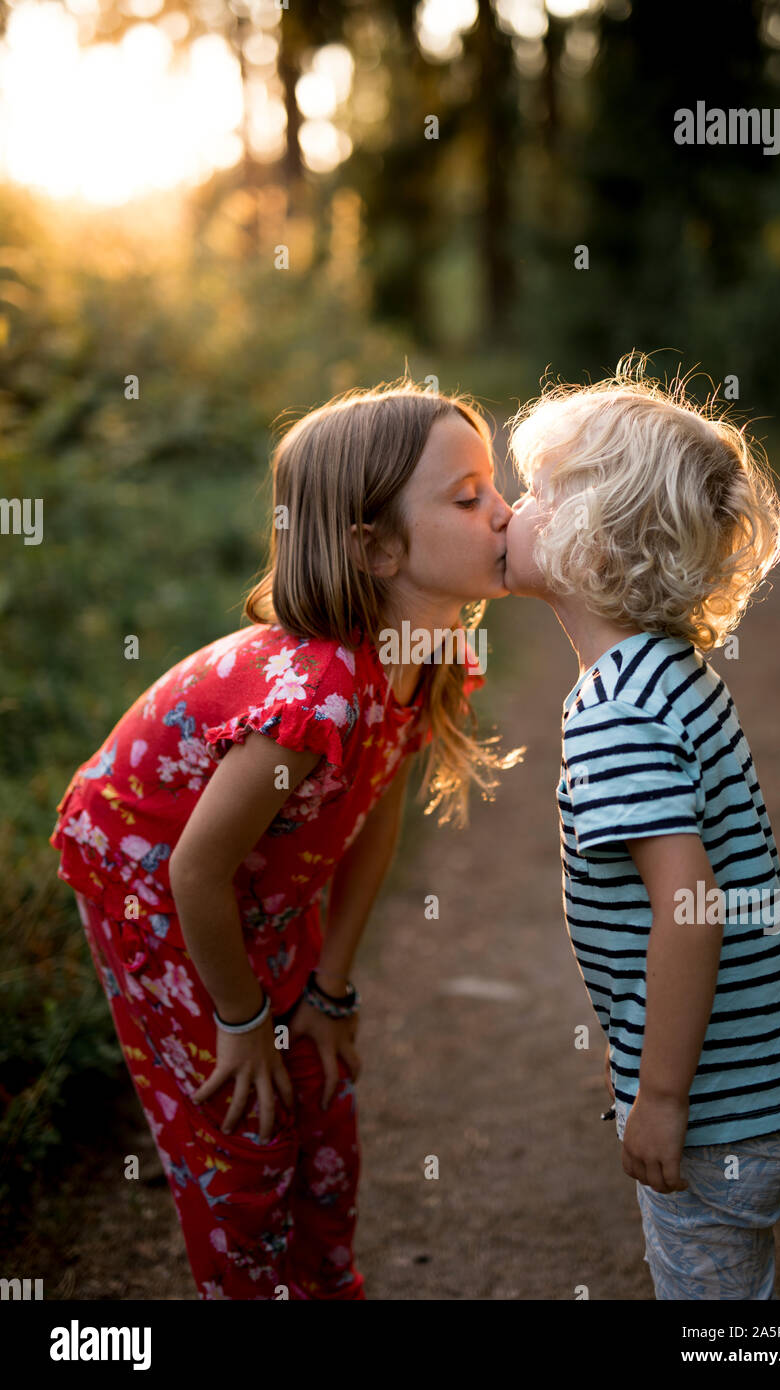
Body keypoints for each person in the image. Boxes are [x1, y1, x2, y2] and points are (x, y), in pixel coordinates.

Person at [49, 377, 520, 1300]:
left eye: (495, 488)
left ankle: (326, 1282)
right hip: (150, 883)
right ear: (376, 546)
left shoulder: (423, 653)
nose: (507, 514)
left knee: (320, 1094)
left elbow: (375, 808)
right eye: (471, 499)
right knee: (246, 1128)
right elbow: (196, 868)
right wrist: (241, 1021)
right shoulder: (316, 700)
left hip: (264, 886)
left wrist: (330, 988)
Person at [502, 356, 780, 1300]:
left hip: (725, 1105)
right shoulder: (668, 669)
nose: (512, 513)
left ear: (594, 547)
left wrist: (660, 1099)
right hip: (774, 1065)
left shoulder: (615, 710)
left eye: (536, 494)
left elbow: (690, 910)